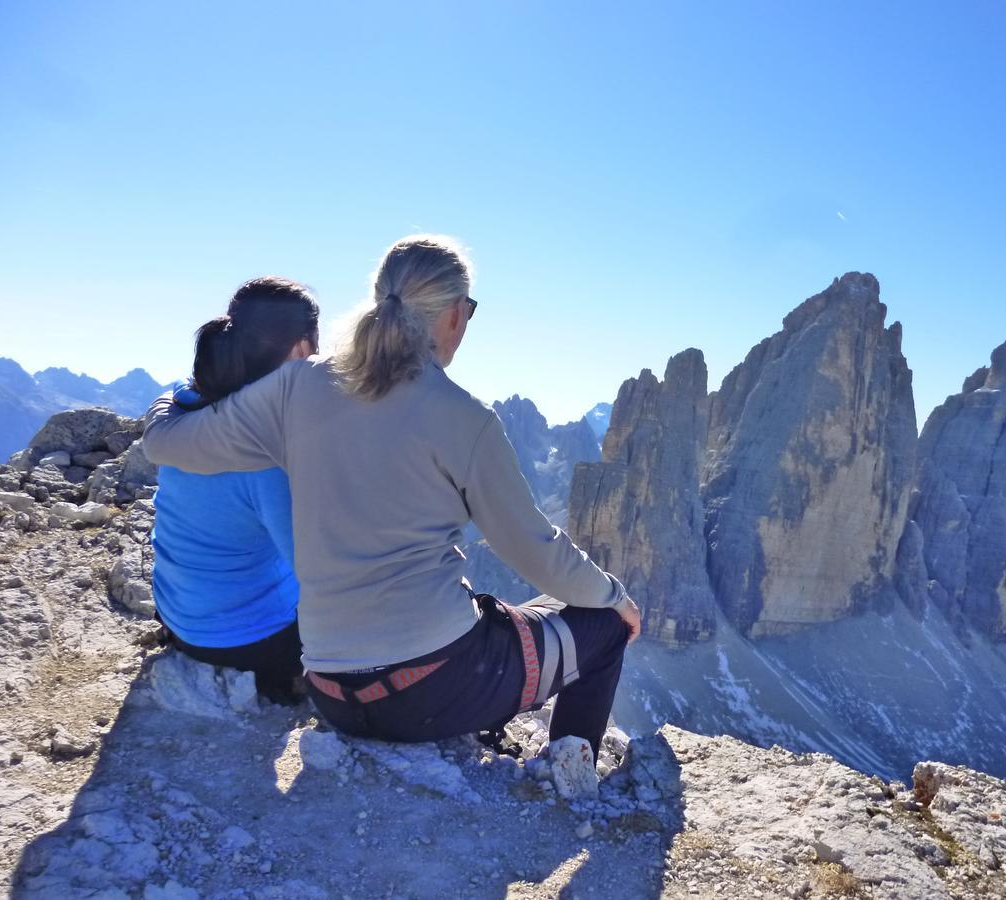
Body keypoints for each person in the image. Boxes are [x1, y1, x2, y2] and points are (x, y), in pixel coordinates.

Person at [141, 235, 641, 755]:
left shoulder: (296, 386)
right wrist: (615, 598)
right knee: (602, 622)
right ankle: (570, 774)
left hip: (331, 690)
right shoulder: (467, 420)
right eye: (468, 309)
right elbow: (536, 550)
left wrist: (169, 396)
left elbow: (165, 443)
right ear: (453, 315)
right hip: (433, 691)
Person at [151, 276, 320, 705]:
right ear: (300, 350)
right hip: (243, 640)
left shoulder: (185, 406)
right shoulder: (264, 452)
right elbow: (316, 572)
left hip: (177, 618)